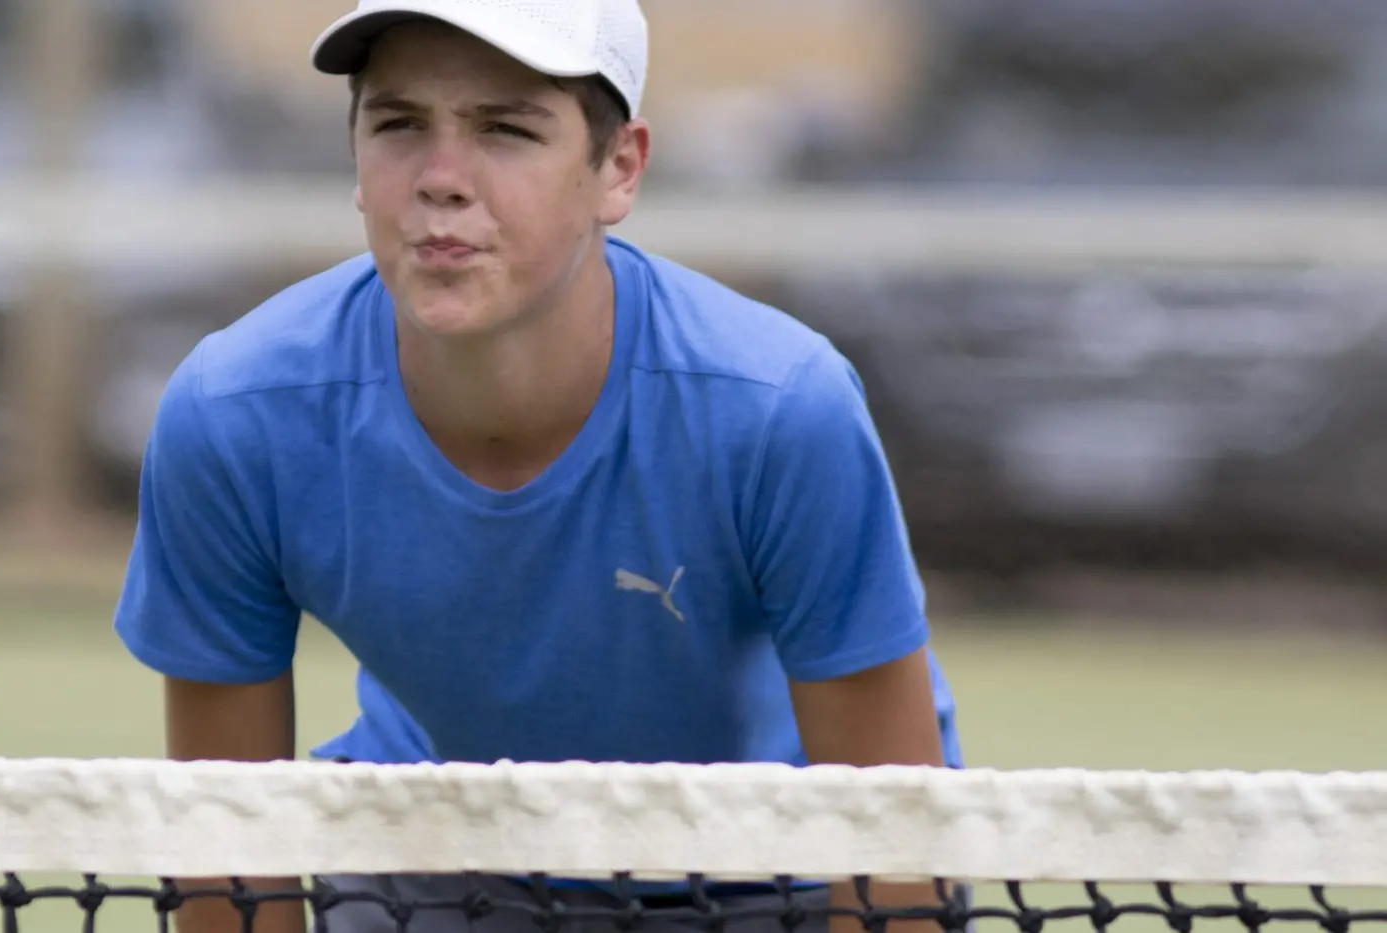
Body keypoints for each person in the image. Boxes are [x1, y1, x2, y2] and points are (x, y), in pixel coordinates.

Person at [113, 1, 965, 931]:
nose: (441, 179)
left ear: (620, 168)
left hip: (775, 866)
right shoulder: (233, 415)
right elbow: (230, 848)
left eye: (507, 130)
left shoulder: (781, 408)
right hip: (438, 860)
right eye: (398, 124)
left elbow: (894, 845)